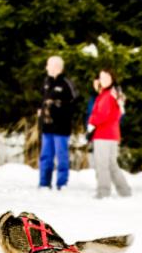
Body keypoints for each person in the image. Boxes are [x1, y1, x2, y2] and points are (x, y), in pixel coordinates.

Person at [86, 69, 132, 199]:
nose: (103, 80)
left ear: (112, 78)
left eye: (106, 77)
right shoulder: (110, 93)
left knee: (102, 164)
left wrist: (91, 123)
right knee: (111, 164)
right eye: (101, 77)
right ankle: (124, 191)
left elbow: (102, 114)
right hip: (110, 134)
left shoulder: (108, 95)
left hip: (104, 134)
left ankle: (103, 191)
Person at [38, 55, 78, 190]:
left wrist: (57, 107)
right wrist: (41, 110)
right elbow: (41, 99)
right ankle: (44, 183)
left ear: (57, 67)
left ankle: (62, 183)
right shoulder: (46, 82)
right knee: (45, 156)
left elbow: (74, 104)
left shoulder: (66, 83)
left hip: (61, 127)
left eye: (48, 64)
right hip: (47, 126)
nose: (46, 67)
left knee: (62, 156)